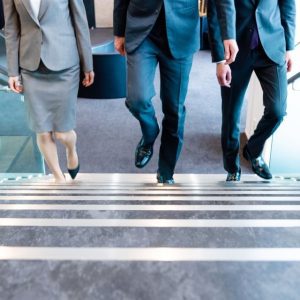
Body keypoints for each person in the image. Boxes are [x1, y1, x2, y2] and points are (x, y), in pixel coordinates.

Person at [114, 0, 238, 184]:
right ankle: (150, 133)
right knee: (137, 99)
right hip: (141, 28)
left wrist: (228, 36)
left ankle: (166, 171)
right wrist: (118, 31)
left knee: (174, 109)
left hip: (182, 30)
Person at [4, 0, 94, 183]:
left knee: (63, 133)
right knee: (42, 130)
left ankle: (71, 150)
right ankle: (59, 179)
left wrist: (88, 64)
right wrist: (13, 71)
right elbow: (11, 28)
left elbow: (80, 22)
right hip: (31, 66)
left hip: (65, 63)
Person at [207, 0, 296, 181]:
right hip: (234, 51)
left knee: (277, 110)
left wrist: (288, 47)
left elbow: (288, 6)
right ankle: (232, 167)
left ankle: (253, 151)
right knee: (231, 113)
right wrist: (219, 60)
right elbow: (216, 12)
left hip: (272, 45)